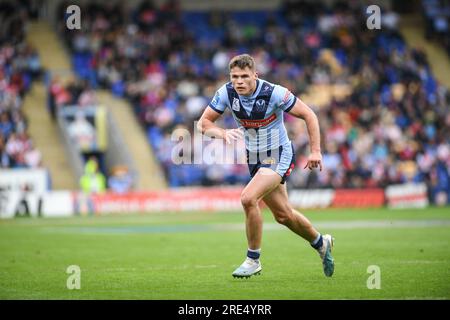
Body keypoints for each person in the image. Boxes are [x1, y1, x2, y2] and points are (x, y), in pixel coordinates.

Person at [197, 54, 334, 278]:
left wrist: (316, 150)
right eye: (234, 77)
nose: (239, 81)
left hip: (278, 153)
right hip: (254, 157)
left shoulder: (274, 93)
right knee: (283, 216)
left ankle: (253, 260)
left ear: (255, 76)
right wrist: (221, 133)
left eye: (244, 76)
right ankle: (321, 242)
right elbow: (204, 123)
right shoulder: (226, 93)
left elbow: (309, 115)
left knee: (248, 198)